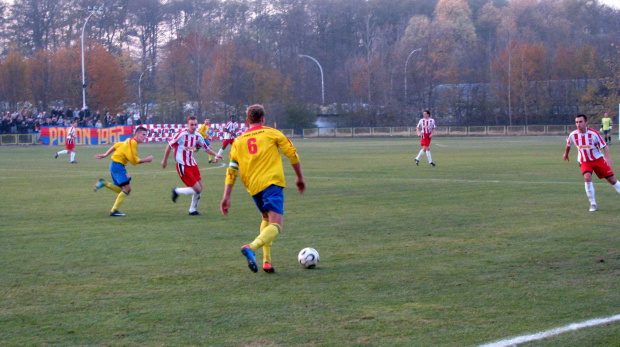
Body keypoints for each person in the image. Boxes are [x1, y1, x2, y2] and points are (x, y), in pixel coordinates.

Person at [220, 104, 306, 273]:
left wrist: (226, 196)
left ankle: (267, 261)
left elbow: (232, 169)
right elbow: (292, 154)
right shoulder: (273, 133)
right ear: (263, 119)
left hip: (253, 187)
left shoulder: (238, 141)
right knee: (277, 224)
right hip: (272, 182)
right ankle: (251, 247)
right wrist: (300, 177)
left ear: (247, 121)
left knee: (266, 218)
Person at [162, 116, 222, 216]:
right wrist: (164, 160)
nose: (194, 127)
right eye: (191, 125)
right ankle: (176, 191)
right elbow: (169, 146)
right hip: (182, 165)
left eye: (195, 124)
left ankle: (192, 210)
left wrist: (216, 154)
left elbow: (206, 148)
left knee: (200, 188)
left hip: (193, 164)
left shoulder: (198, 136)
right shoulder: (181, 134)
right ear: (188, 125)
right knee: (197, 189)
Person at [564, 114, 620, 212]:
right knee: (587, 177)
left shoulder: (594, 134)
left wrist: (607, 158)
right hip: (584, 161)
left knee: (612, 180)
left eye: (580, 122)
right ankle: (593, 203)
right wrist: (566, 154)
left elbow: (605, 146)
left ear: (586, 122)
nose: (578, 124)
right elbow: (568, 144)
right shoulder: (573, 135)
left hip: (598, 160)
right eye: (576, 122)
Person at [93, 126, 153, 216]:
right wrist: (146, 160)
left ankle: (104, 183)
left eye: (146, 135)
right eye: (143, 135)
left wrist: (105, 154)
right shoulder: (132, 143)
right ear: (137, 134)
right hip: (118, 166)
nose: (145, 137)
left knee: (122, 190)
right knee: (127, 189)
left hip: (115, 165)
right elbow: (134, 160)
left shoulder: (128, 140)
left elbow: (117, 145)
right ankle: (113, 211)